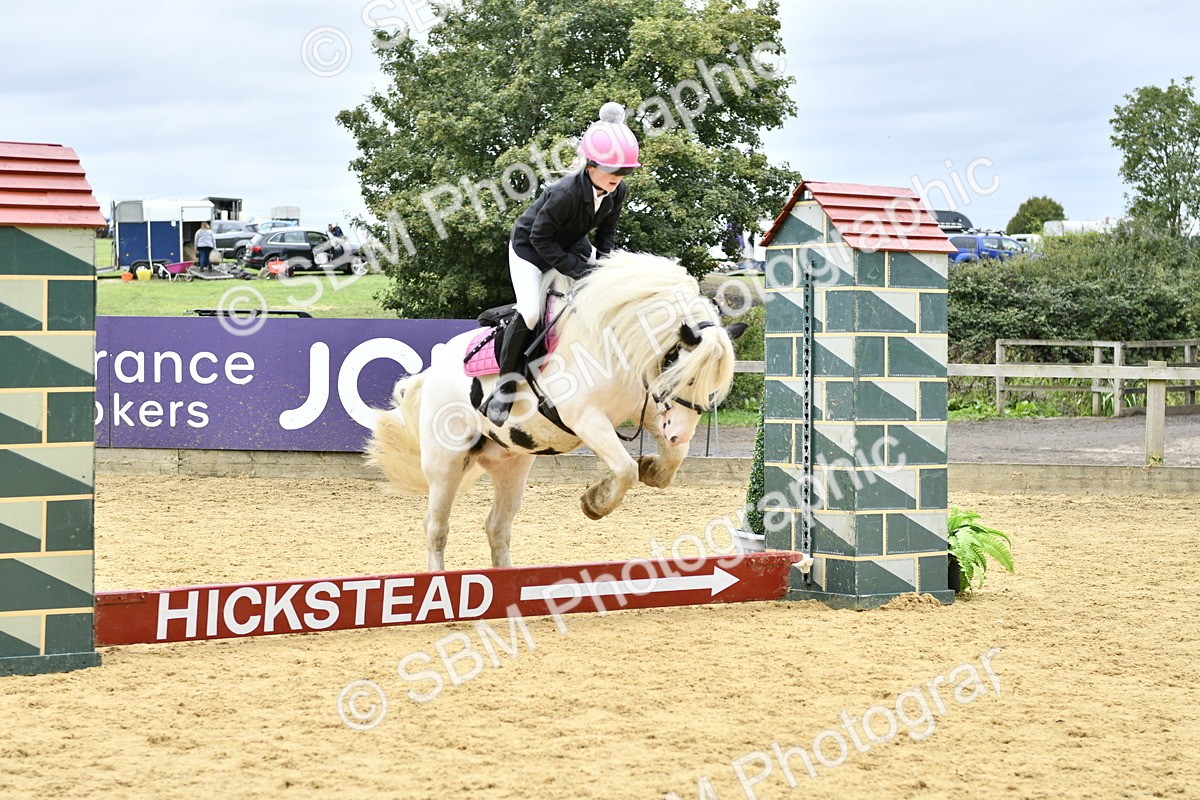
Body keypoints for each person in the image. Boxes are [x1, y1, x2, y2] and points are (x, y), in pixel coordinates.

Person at [481, 102, 641, 425]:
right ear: (591, 165)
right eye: (613, 172)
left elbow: (607, 234)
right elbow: (541, 240)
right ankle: (504, 388)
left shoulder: (616, 191)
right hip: (530, 250)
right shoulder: (564, 193)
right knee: (531, 311)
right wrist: (578, 269)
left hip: (569, 244)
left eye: (624, 173)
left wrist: (605, 269)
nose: (618, 179)